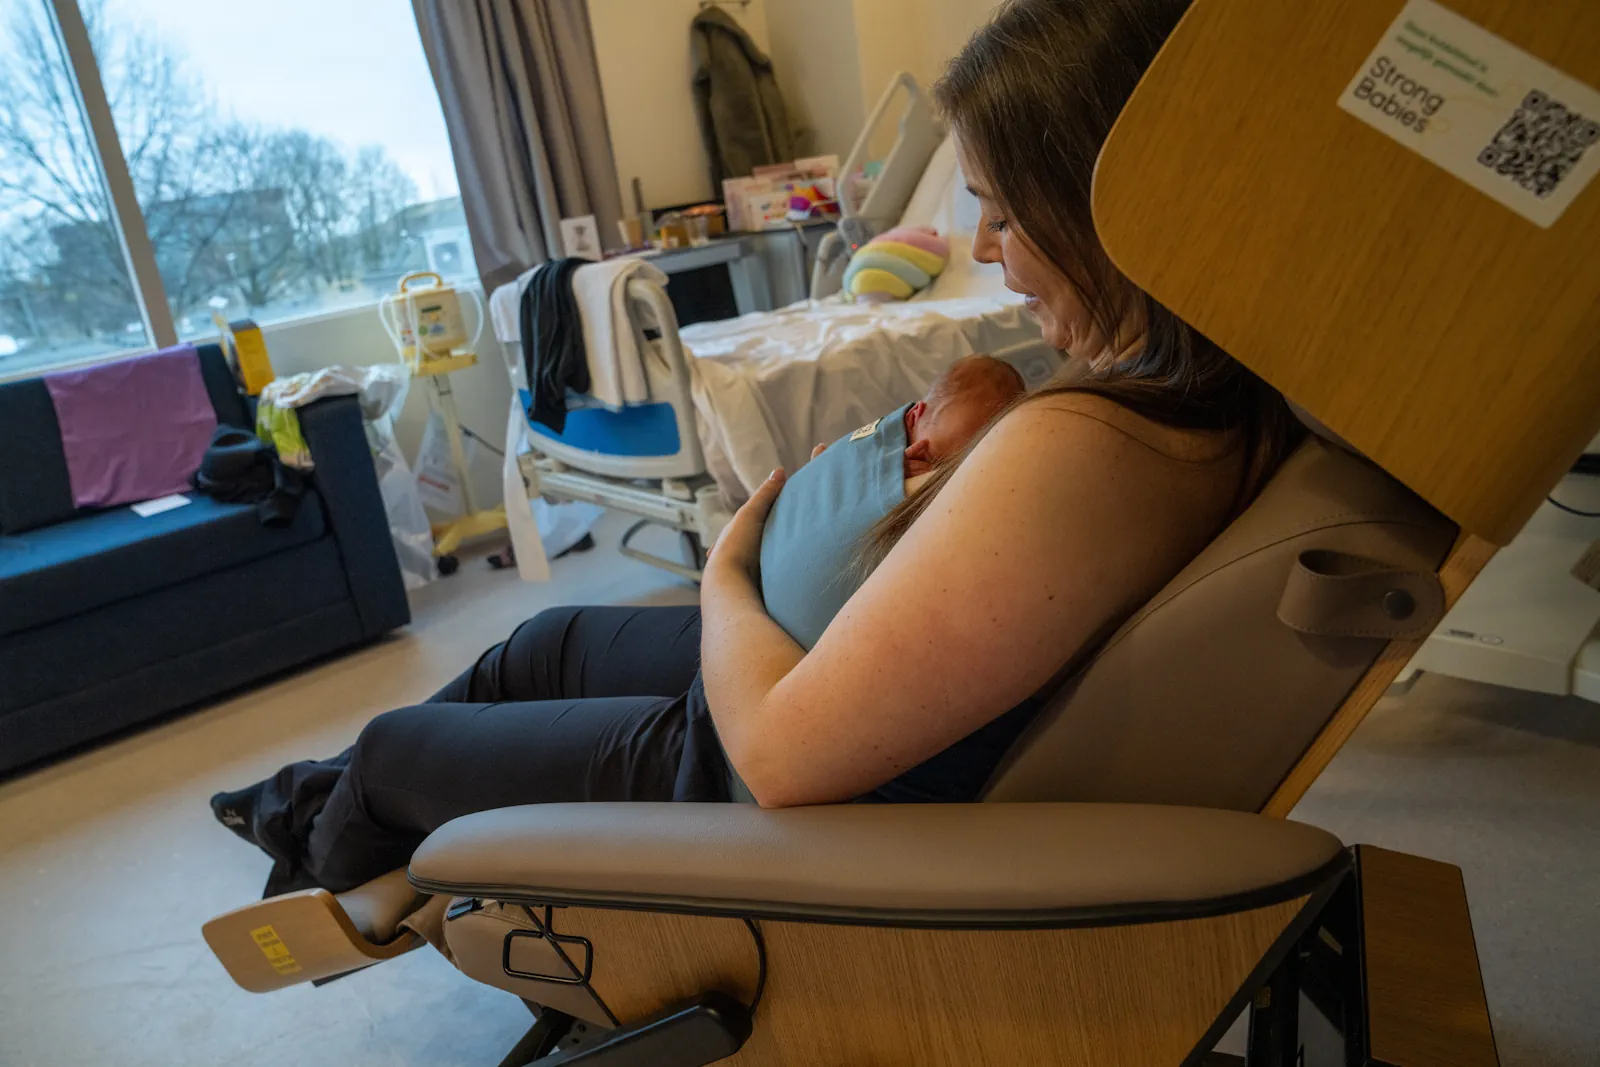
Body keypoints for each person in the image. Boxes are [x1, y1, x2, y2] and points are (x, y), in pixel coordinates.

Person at [213, 0, 1304, 898]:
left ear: (1105, 207)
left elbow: (781, 755)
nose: (982, 247)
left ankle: (315, 867)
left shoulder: (1086, 449)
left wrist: (730, 570)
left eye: (1002, 213)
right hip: (786, 681)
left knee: (404, 749)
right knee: (533, 645)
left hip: (741, 772)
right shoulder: (1177, 403)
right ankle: (307, 798)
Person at [760, 354, 1025, 653]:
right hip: (768, 582)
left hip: (785, 634)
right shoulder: (875, 444)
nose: (933, 479)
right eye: (929, 460)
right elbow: (838, 469)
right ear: (914, 417)